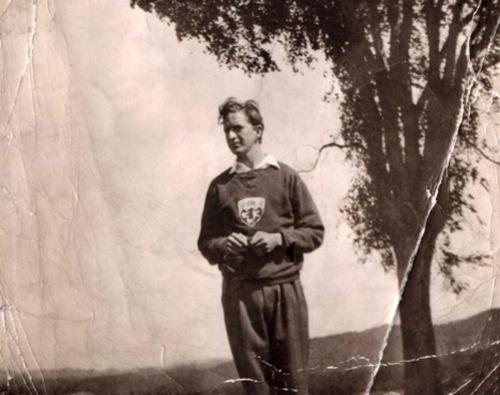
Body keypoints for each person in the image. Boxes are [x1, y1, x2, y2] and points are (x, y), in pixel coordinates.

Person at [198, 97, 324, 395]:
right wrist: (225, 244)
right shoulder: (220, 186)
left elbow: (314, 231)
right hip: (241, 296)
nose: (231, 136)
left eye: (238, 128)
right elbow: (206, 243)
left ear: (258, 130)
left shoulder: (286, 176)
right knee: (257, 389)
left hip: (284, 292)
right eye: (227, 130)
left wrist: (279, 239)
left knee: (293, 386)